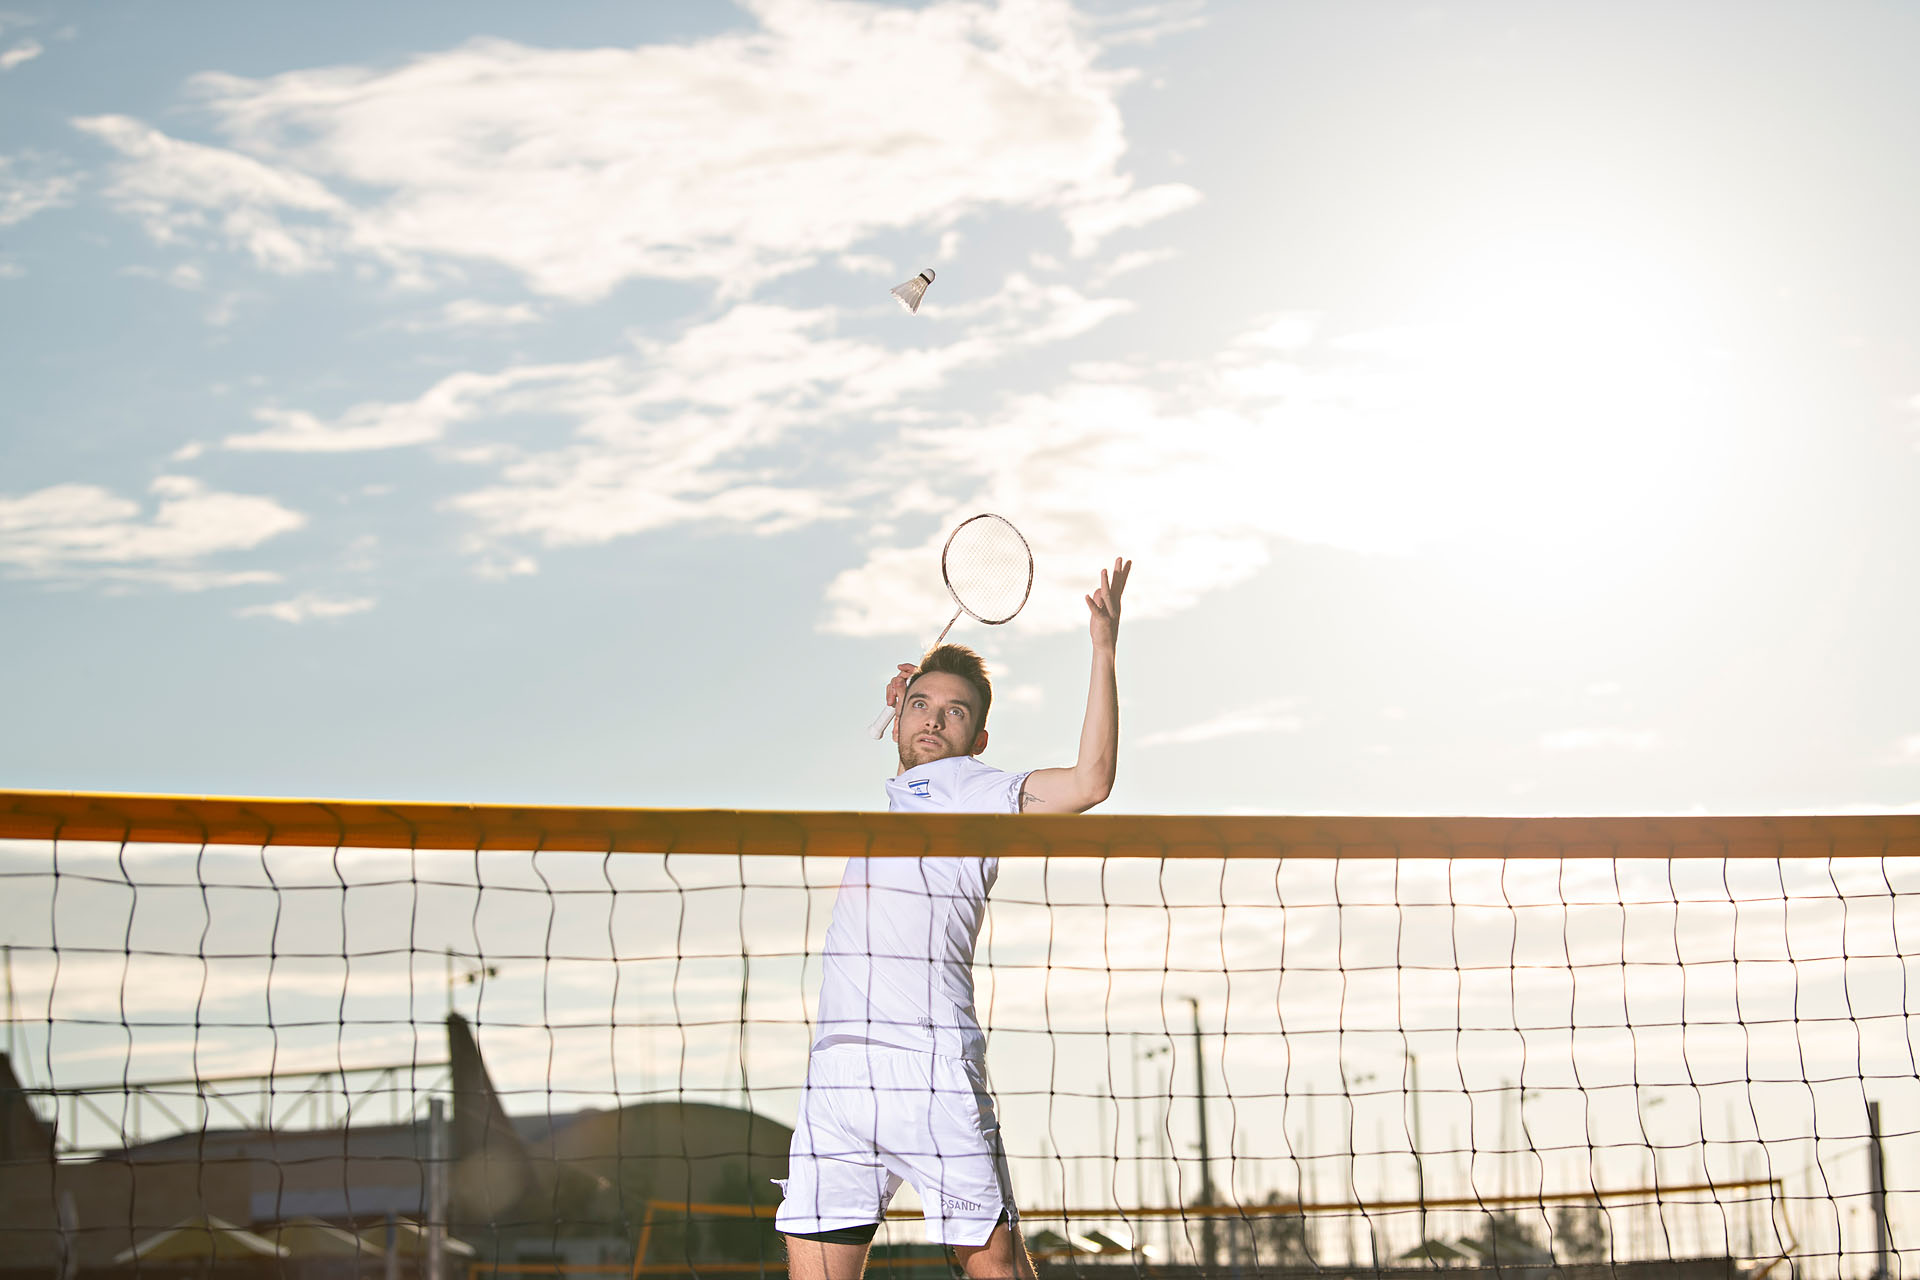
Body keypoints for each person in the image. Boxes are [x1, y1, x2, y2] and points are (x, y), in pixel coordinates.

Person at [776, 558, 1133, 1280]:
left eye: (956, 713)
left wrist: (1103, 649)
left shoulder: (974, 788)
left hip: (927, 1067)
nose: (935, 720)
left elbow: (1090, 782)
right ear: (898, 714)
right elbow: (914, 736)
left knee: (995, 1270)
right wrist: (908, 698)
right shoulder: (897, 797)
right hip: (837, 1076)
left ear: (979, 741)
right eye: (922, 706)